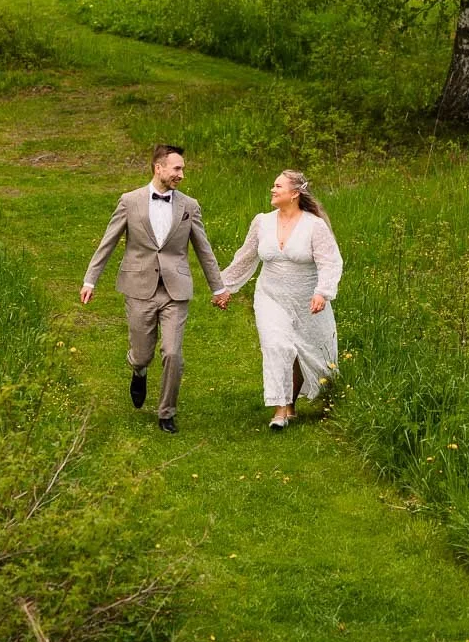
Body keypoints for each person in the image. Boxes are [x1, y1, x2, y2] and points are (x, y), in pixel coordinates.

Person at [81, 144, 228, 433]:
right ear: (158, 168)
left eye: (183, 169)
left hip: (176, 290)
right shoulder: (129, 201)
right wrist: (90, 280)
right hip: (139, 287)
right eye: (177, 168)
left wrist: (218, 288)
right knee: (142, 352)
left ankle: (166, 412)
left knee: (173, 352)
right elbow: (107, 242)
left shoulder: (189, 206)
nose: (181, 174)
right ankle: (139, 370)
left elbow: (204, 249)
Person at [219, 169, 343, 430]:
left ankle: (293, 405)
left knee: (307, 355)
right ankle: (280, 410)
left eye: (278, 186)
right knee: (277, 346)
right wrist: (225, 287)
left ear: (295, 193)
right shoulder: (262, 221)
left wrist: (323, 292)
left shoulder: (314, 226)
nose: (272, 190)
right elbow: (245, 257)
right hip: (270, 297)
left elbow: (330, 262)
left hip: (306, 300)